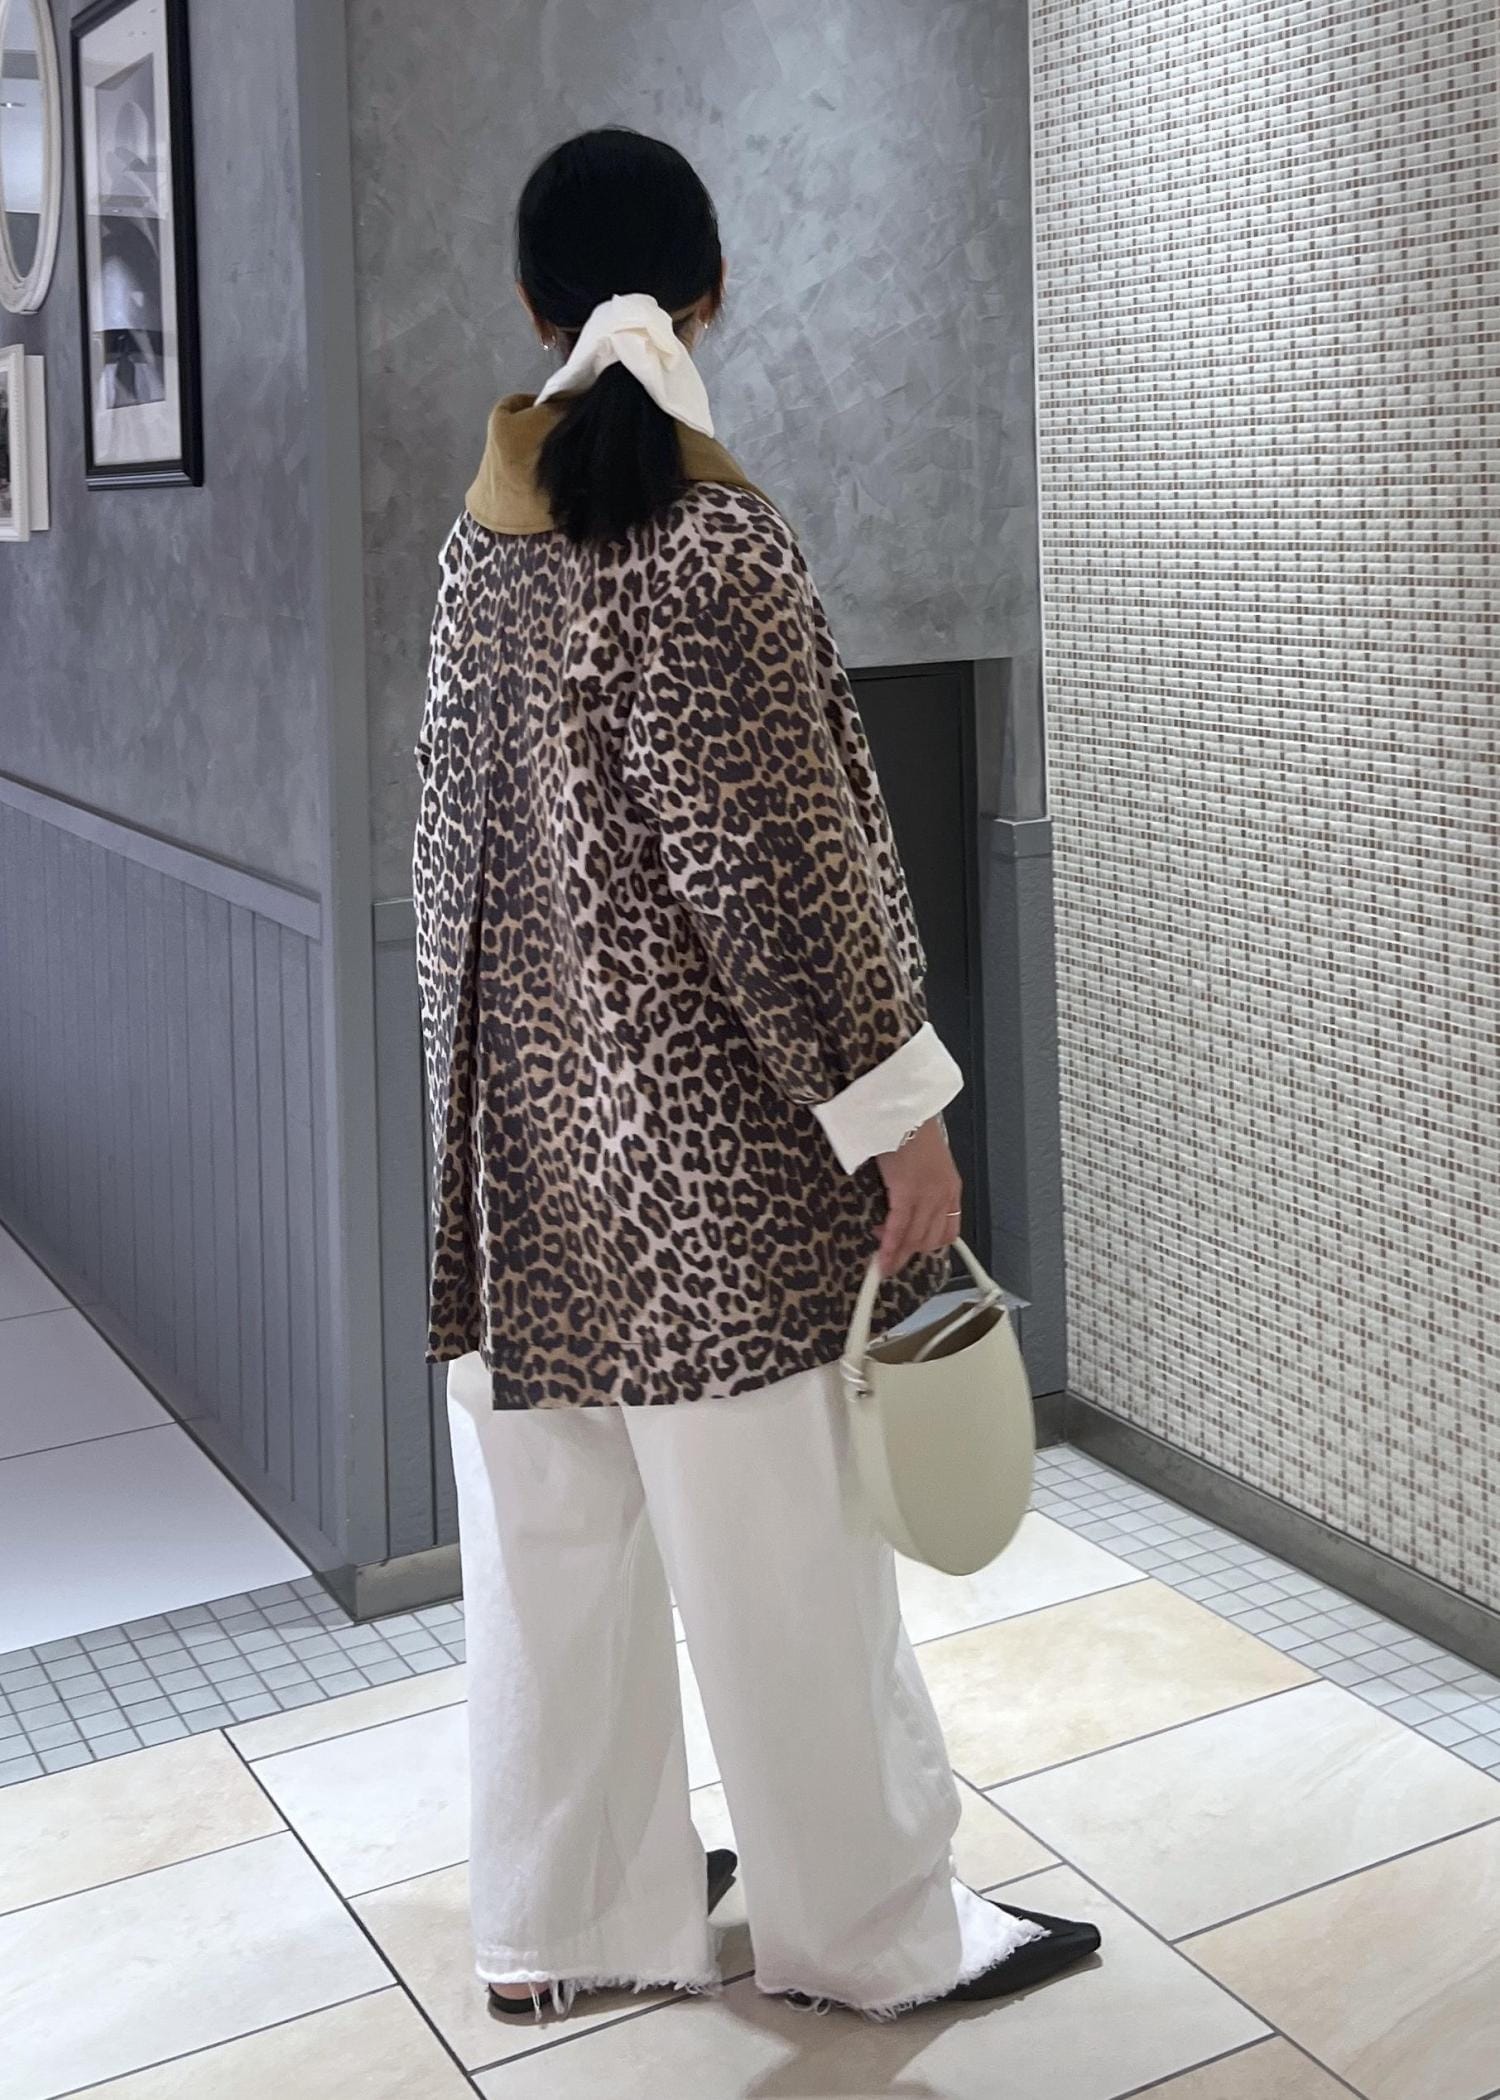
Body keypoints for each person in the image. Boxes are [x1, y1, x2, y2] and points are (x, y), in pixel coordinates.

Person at [412, 125, 1100, 2023]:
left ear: (534, 306)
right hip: (709, 1190)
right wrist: (901, 1125)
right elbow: (787, 879)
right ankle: (870, 1935)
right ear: (711, 292)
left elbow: (451, 884)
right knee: (788, 1569)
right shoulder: (710, 545)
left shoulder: (481, 549)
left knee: (555, 1570)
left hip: (521, 1184)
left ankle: (568, 1924)